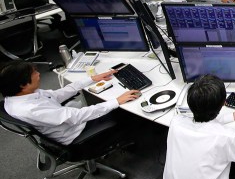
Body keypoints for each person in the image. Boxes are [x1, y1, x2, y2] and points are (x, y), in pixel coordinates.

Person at [0, 61, 141, 148]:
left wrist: (91, 79)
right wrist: (117, 101)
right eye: (34, 73)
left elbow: (57, 95)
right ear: (23, 85)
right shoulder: (30, 109)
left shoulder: (18, 95)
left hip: (64, 124)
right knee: (126, 110)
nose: (39, 74)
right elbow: (77, 116)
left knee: (110, 103)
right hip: (75, 133)